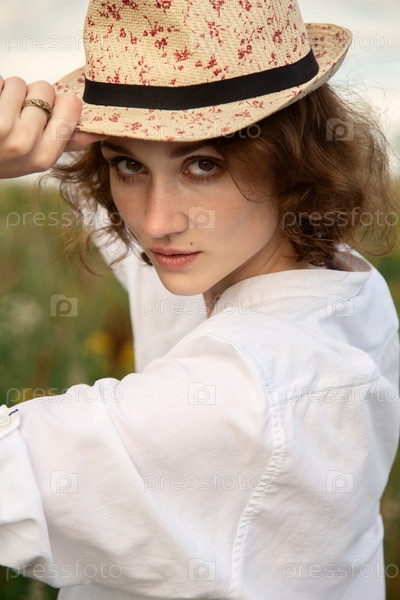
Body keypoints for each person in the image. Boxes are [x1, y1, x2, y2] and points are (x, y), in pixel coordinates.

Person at [0, 1, 399, 599]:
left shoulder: (237, 398)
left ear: (291, 157)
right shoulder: (336, 278)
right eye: (128, 165)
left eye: (204, 164)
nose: (156, 223)